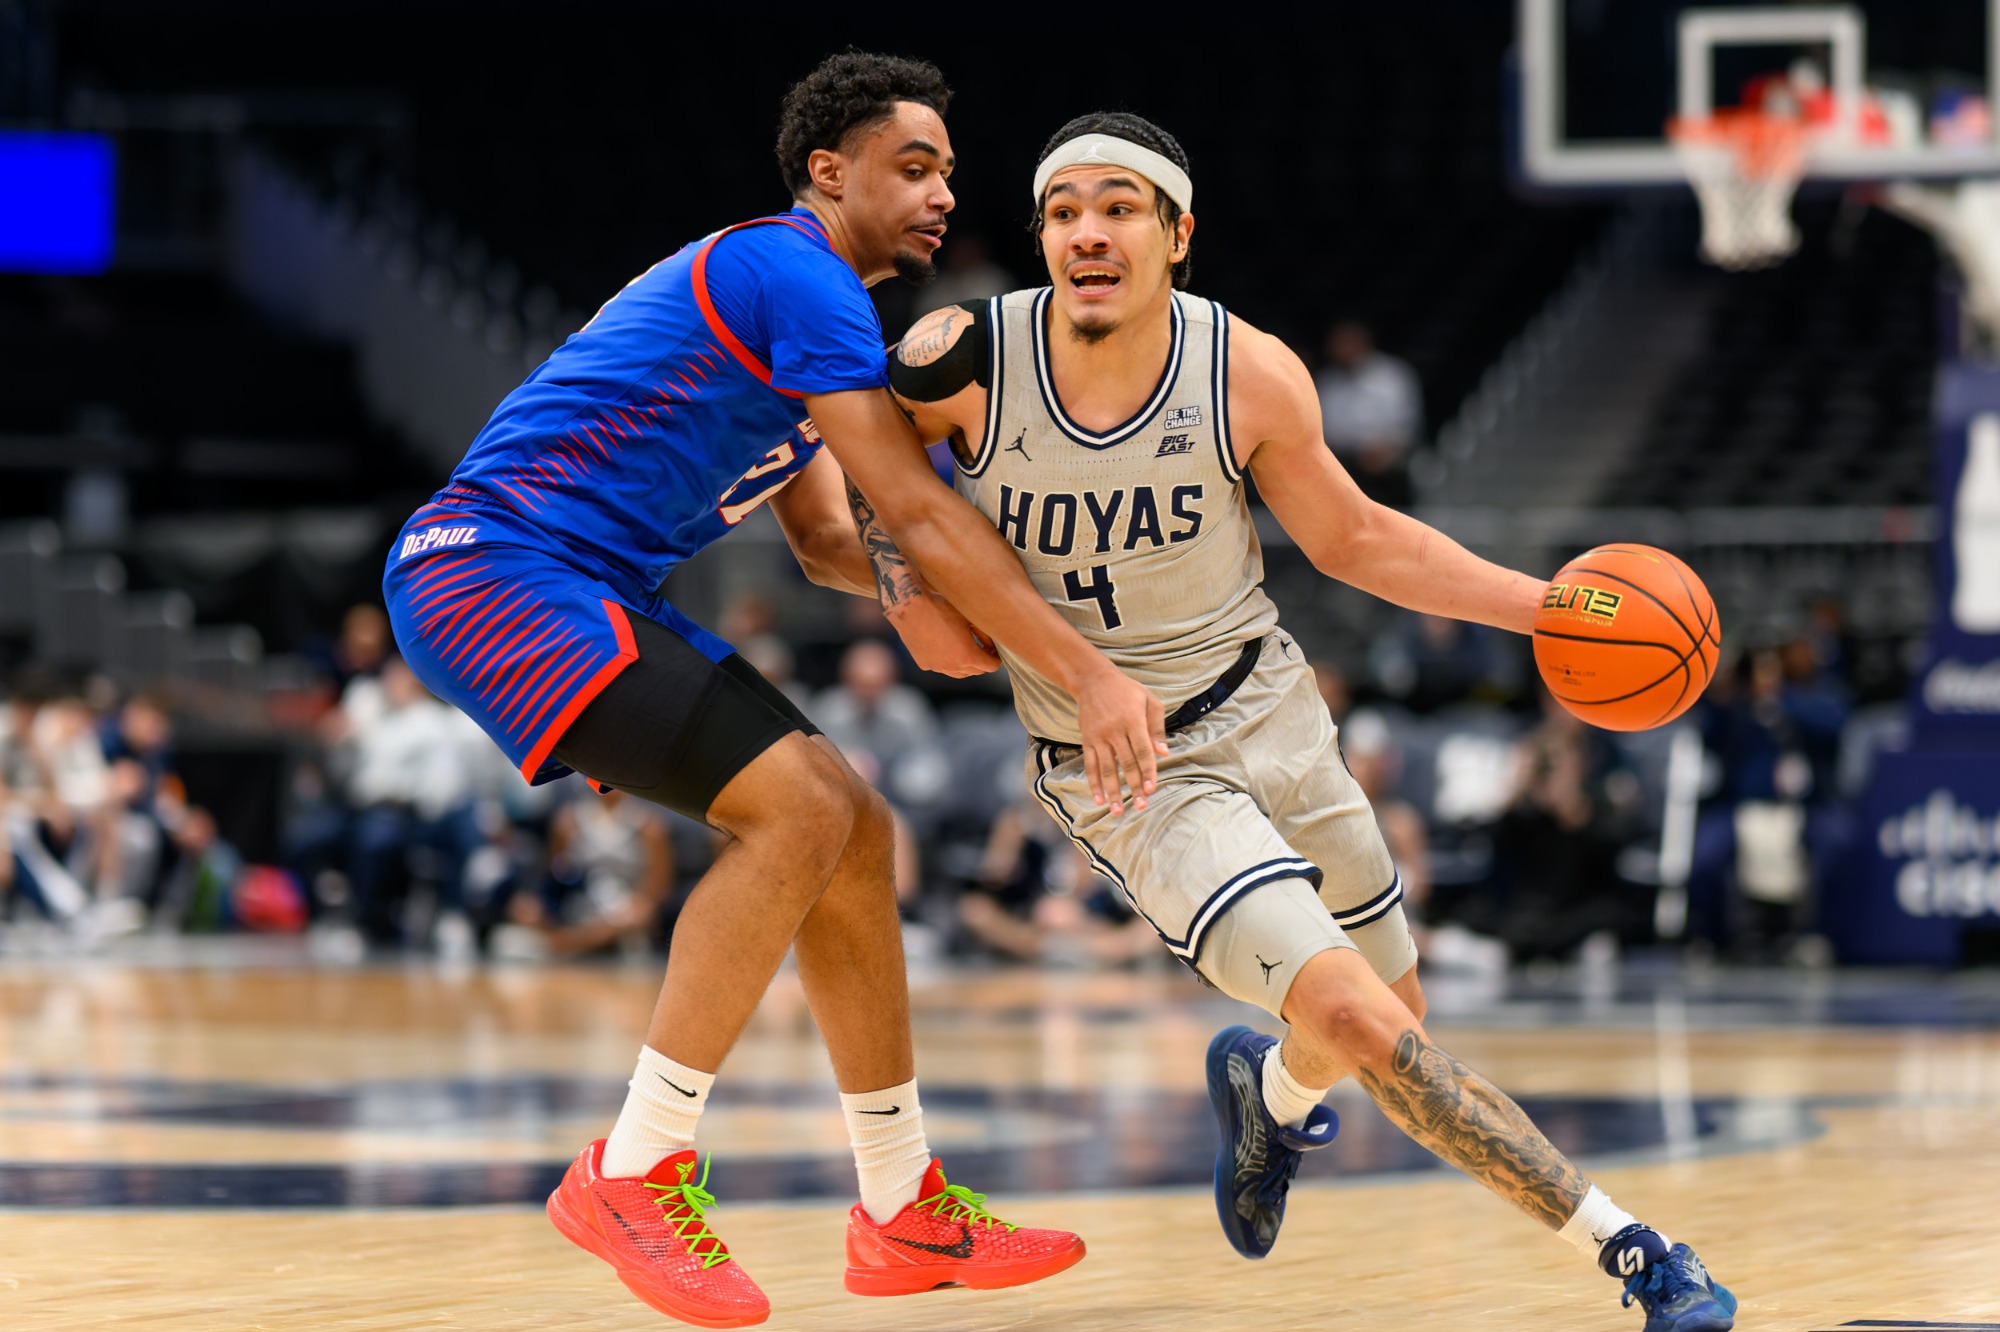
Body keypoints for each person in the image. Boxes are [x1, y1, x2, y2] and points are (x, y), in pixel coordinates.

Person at [878, 111, 1737, 1332]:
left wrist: (1544, 610)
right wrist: (903, 581)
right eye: (1063, 211)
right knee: (1360, 1020)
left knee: (1394, 1014)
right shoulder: (959, 360)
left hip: (1273, 713)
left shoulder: (1246, 371)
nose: (1086, 233)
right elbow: (871, 466)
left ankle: (1271, 1103)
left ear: (1177, 234)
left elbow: (1357, 540)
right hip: (1130, 769)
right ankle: (1638, 1254)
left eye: (1118, 208)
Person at [380, 53, 1158, 1329]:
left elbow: (829, 540)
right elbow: (906, 503)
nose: (942, 195)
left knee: (854, 831)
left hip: (579, 583)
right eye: (913, 168)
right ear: (826, 172)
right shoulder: (789, 269)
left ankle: (902, 1206)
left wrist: (926, 602)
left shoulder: (818, 312)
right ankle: (630, 1170)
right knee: (795, 809)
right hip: (495, 567)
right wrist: (1071, 655)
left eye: (950, 174)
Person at [1315, 319, 1422, 508]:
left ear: (1363, 342)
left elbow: (1406, 425)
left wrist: (1384, 450)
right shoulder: (1327, 381)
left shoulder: (1391, 376)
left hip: (1388, 458)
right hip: (1342, 460)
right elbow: (1323, 430)